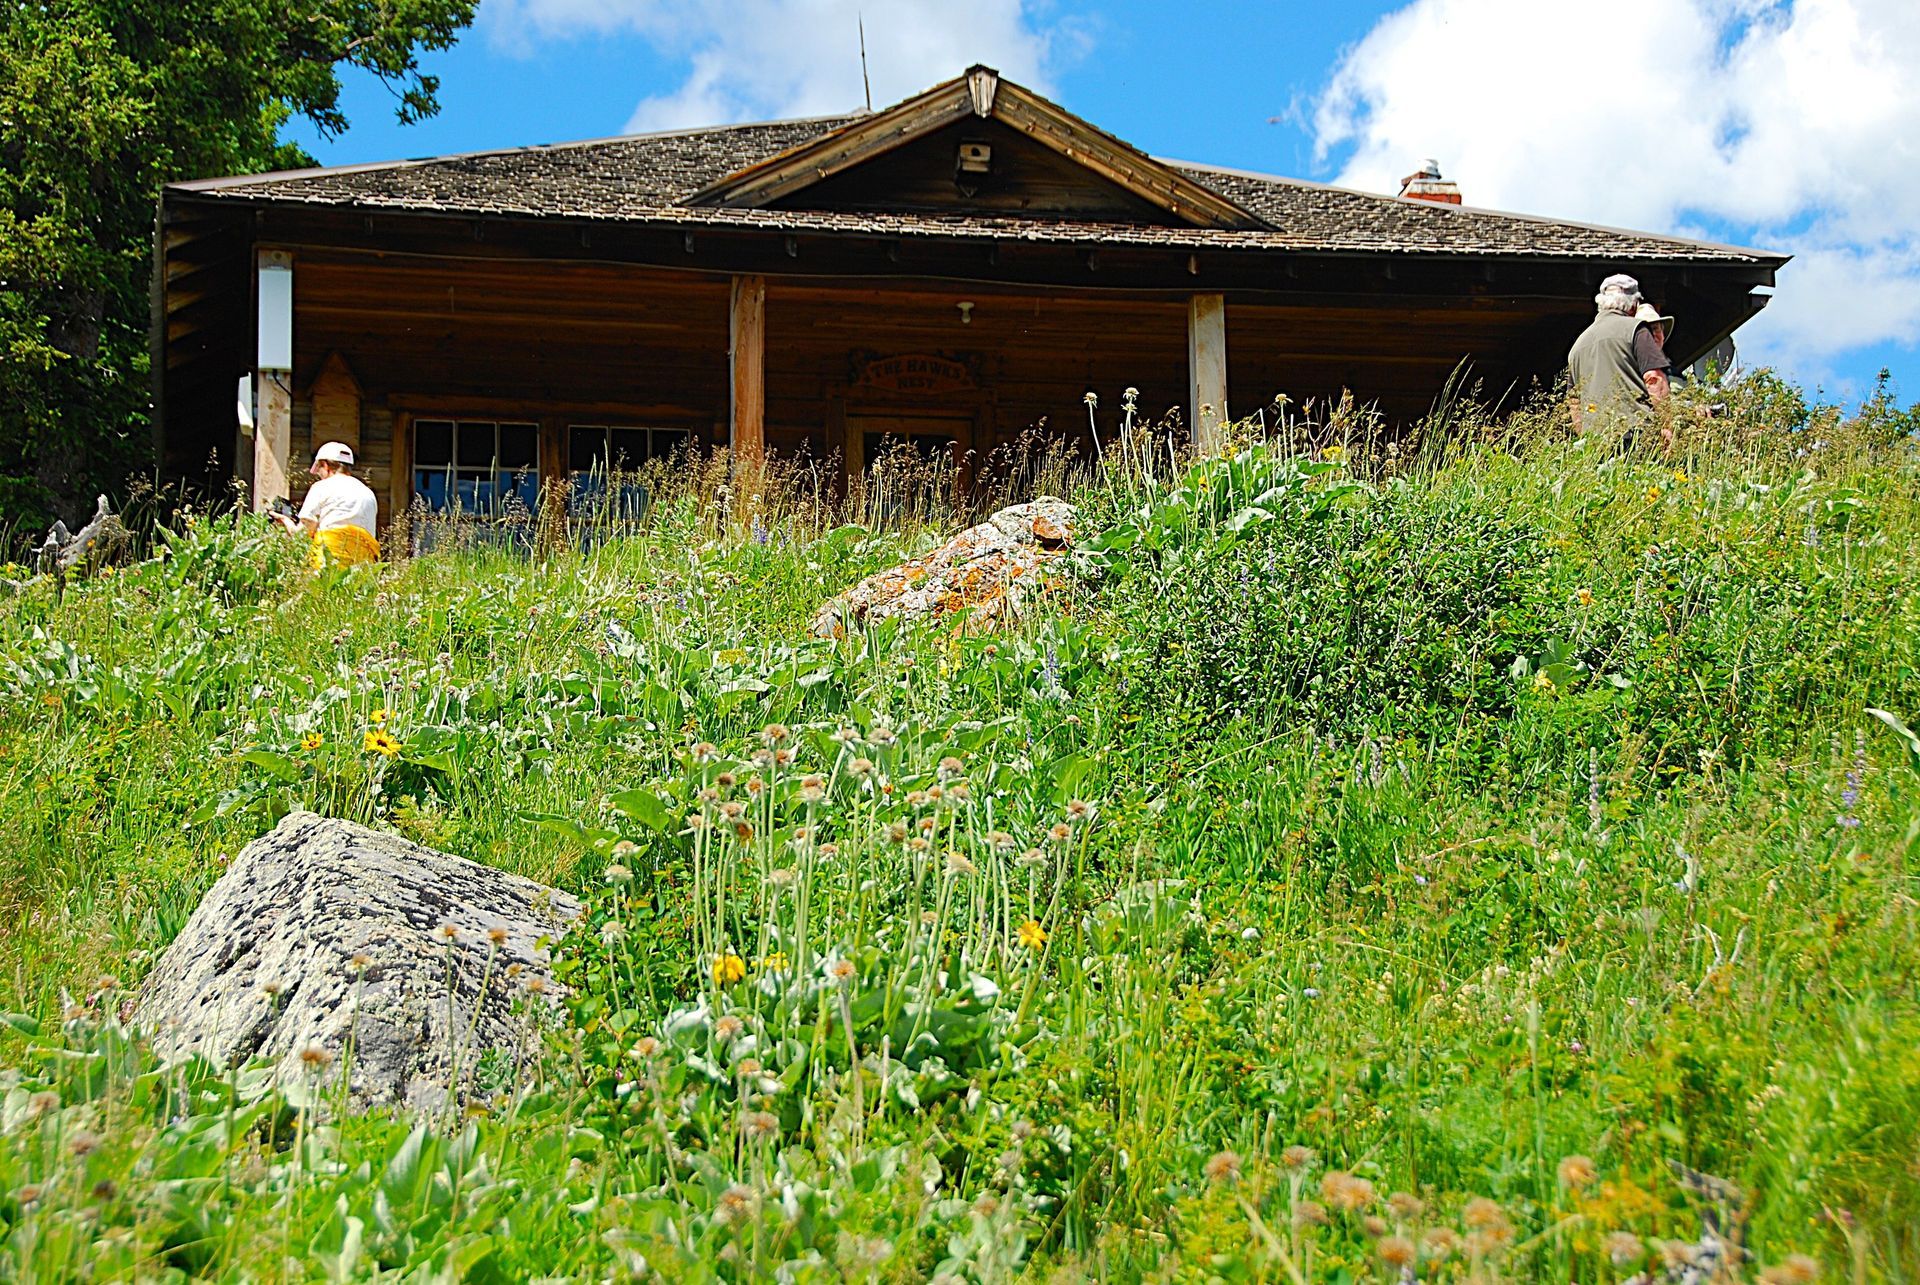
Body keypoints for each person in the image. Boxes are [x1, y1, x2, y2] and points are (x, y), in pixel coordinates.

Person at [1567, 274, 1671, 435]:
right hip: (1636, 435)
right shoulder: (1636, 329)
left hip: (1595, 443)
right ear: (1634, 305)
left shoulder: (1578, 345)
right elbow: (1654, 379)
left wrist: (1586, 438)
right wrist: (1667, 427)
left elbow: (1574, 402)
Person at [275, 440, 380, 566]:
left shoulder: (321, 487)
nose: (319, 475)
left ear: (325, 465)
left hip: (328, 566)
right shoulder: (368, 493)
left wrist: (286, 521)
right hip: (362, 568)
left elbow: (302, 536)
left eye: (319, 469)